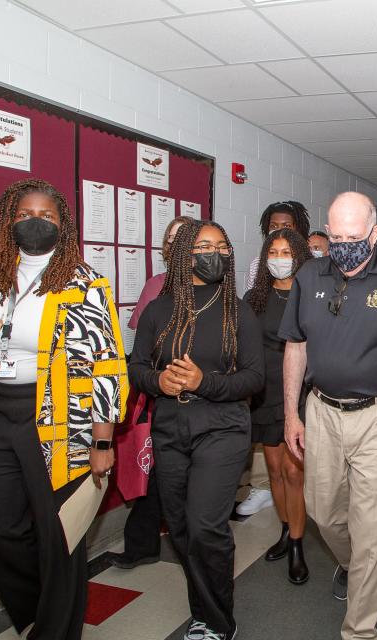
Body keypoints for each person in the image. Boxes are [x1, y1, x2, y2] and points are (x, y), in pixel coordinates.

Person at [0, 178, 128, 639]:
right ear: (9, 221)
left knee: (59, 536)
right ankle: (34, 613)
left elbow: (107, 366)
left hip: (65, 425)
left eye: (47, 216)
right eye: (25, 214)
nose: (36, 222)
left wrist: (103, 440)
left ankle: (56, 631)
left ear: (63, 225)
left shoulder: (85, 284)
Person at [279, 192, 377, 640]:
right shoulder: (309, 274)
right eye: (335, 235)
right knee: (323, 512)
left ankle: (360, 629)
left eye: (354, 236)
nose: (343, 244)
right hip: (323, 413)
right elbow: (295, 346)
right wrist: (291, 414)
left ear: (375, 233)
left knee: (372, 530)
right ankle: (351, 565)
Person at [129, 220, 264, 640]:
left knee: (206, 524)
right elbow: (136, 369)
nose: (215, 253)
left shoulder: (237, 310)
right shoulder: (159, 309)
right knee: (183, 528)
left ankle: (218, 622)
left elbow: (255, 378)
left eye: (222, 246)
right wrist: (159, 382)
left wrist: (203, 382)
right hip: (171, 427)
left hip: (222, 426)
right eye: (205, 245)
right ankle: (205, 609)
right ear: (184, 253)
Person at [110, 214, 197, 570]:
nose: (175, 245)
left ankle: (195, 545)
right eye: (170, 239)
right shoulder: (155, 285)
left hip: (199, 392)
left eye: (184, 238)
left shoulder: (212, 285)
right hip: (159, 390)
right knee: (158, 468)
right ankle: (142, 544)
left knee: (190, 475)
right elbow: (140, 345)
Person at [244, 228, 313, 585]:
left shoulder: (311, 296)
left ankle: (299, 544)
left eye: (287, 252)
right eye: (274, 251)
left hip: (299, 390)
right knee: (272, 470)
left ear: (298, 256)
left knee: (293, 471)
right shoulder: (254, 298)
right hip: (264, 390)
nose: (280, 258)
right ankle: (286, 530)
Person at [245, 200, 311, 290]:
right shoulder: (256, 265)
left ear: (298, 229)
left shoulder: (310, 264)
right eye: (274, 226)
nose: (279, 230)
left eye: (286, 226)